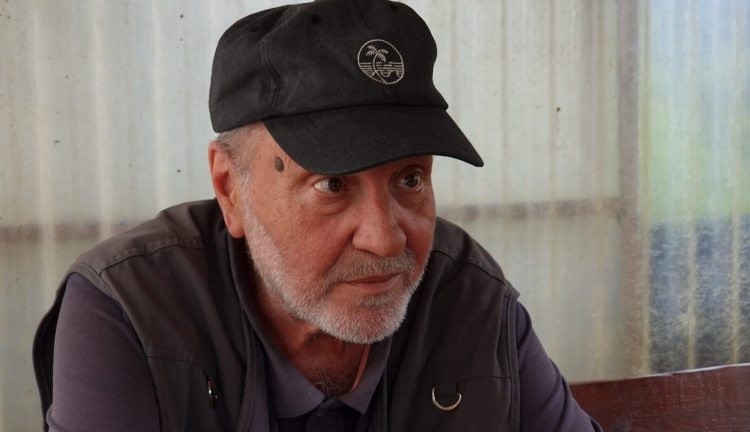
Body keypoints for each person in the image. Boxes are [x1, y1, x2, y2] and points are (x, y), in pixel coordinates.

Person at [33, 0, 601, 430]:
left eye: (410, 179)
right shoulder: (131, 306)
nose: (385, 239)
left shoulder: (471, 298)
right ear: (230, 189)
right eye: (331, 184)